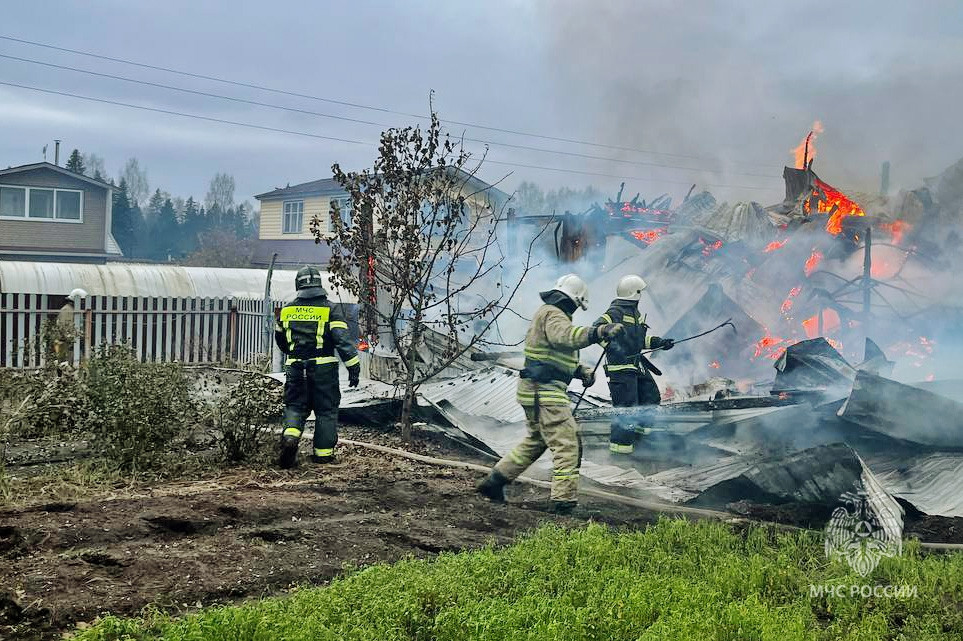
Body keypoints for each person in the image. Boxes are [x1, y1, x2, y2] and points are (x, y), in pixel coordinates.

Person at [476, 274, 624, 514]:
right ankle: (563, 503)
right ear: (573, 300)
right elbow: (564, 337)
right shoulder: (554, 314)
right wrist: (599, 332)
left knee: (536, 441)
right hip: (545, 393)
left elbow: (552, 355)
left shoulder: (549, 313)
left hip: (535, 390)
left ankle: (494, 483)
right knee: (567, 443)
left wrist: (580, 371)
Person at [276, 266, 360, 468]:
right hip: (324, 371)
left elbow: (281, 342)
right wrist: (353, 368)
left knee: (295, 407)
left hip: (295, 368)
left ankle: (290, 438)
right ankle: (323, 455)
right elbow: (342, 341)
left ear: (299, 285)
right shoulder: (330, 309)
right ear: (318, 285)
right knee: (326, 411)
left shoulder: (287, 310)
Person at [594, 274, 674, 455]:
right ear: (634, 293)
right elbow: (597, 330)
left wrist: (660, 342)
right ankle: (620, 449)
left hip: (636, 365)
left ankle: (640, 437)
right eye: (640, 292)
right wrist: (614, 348)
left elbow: (639, 341)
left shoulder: (635, 314)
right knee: (627, 408)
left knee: (651, 396)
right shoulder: (616, 312)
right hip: (621, 368)